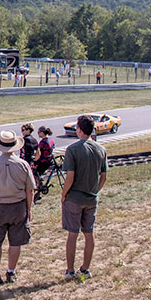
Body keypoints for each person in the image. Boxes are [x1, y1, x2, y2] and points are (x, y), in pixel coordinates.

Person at [0, 131, 35, 285]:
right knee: (15, 242)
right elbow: (30, 190)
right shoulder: (23, 165)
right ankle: (11, 271)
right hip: (18, 207)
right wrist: (29, 209)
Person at [60, 116, 108, 280]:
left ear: (79, 129)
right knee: (89, 233)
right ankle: (85, 268)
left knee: (72, 234)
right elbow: (103, 176)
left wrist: (64, 193)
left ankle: (70, 270)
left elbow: (70, 176)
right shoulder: (100, 149)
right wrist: (95, 190)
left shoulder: (73, 149)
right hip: (91, 197)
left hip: (74, 197)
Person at [20, 123, 40, 199]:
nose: (22, 132)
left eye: (23, 130)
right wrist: (35, 160)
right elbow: (38, 152)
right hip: (31, 162)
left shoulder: (25, 140)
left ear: (28, 130)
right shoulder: (34, 140)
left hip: (24, 162)